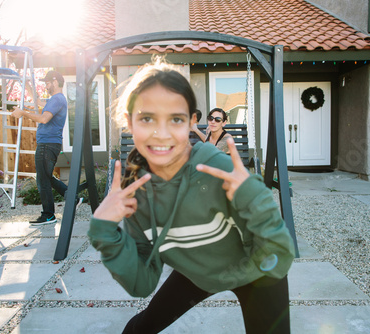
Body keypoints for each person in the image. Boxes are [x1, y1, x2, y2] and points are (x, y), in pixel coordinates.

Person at [87, 60, 295, 333]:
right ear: (129, 122)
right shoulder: (135, 190)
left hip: (256, 270)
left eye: (175, 119)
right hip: (196, 273)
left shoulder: (215, 167)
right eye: (147, 118)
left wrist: (255, 198)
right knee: (139, 330)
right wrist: (104, 231)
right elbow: (142, 284)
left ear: (191, 122)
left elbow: (279, 255)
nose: (161, 134)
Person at [11, 71, 82, 225]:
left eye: (47, 83)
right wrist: (27, 85)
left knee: (43, 179)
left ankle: (48, 215)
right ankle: (72, 198)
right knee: (46, 176)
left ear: (55, 82)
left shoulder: (57, 99)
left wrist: (23, 113)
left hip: (47, 145)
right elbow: (38, 102)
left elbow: (44, 119)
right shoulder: (55, 100)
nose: (46, 86)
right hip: (49, 144)